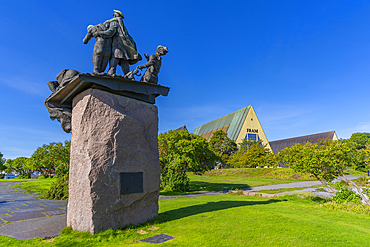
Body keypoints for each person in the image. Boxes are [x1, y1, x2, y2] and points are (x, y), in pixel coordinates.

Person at [98, 10, 142, 76]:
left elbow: (110, 32)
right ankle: (128, 76)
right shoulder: (122, 25)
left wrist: (99, 33)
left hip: (117, 46)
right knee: (124, 60)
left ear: (115, 15)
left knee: (115, 58)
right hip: (125, 46)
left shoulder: (115, 22)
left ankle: (111, 73)